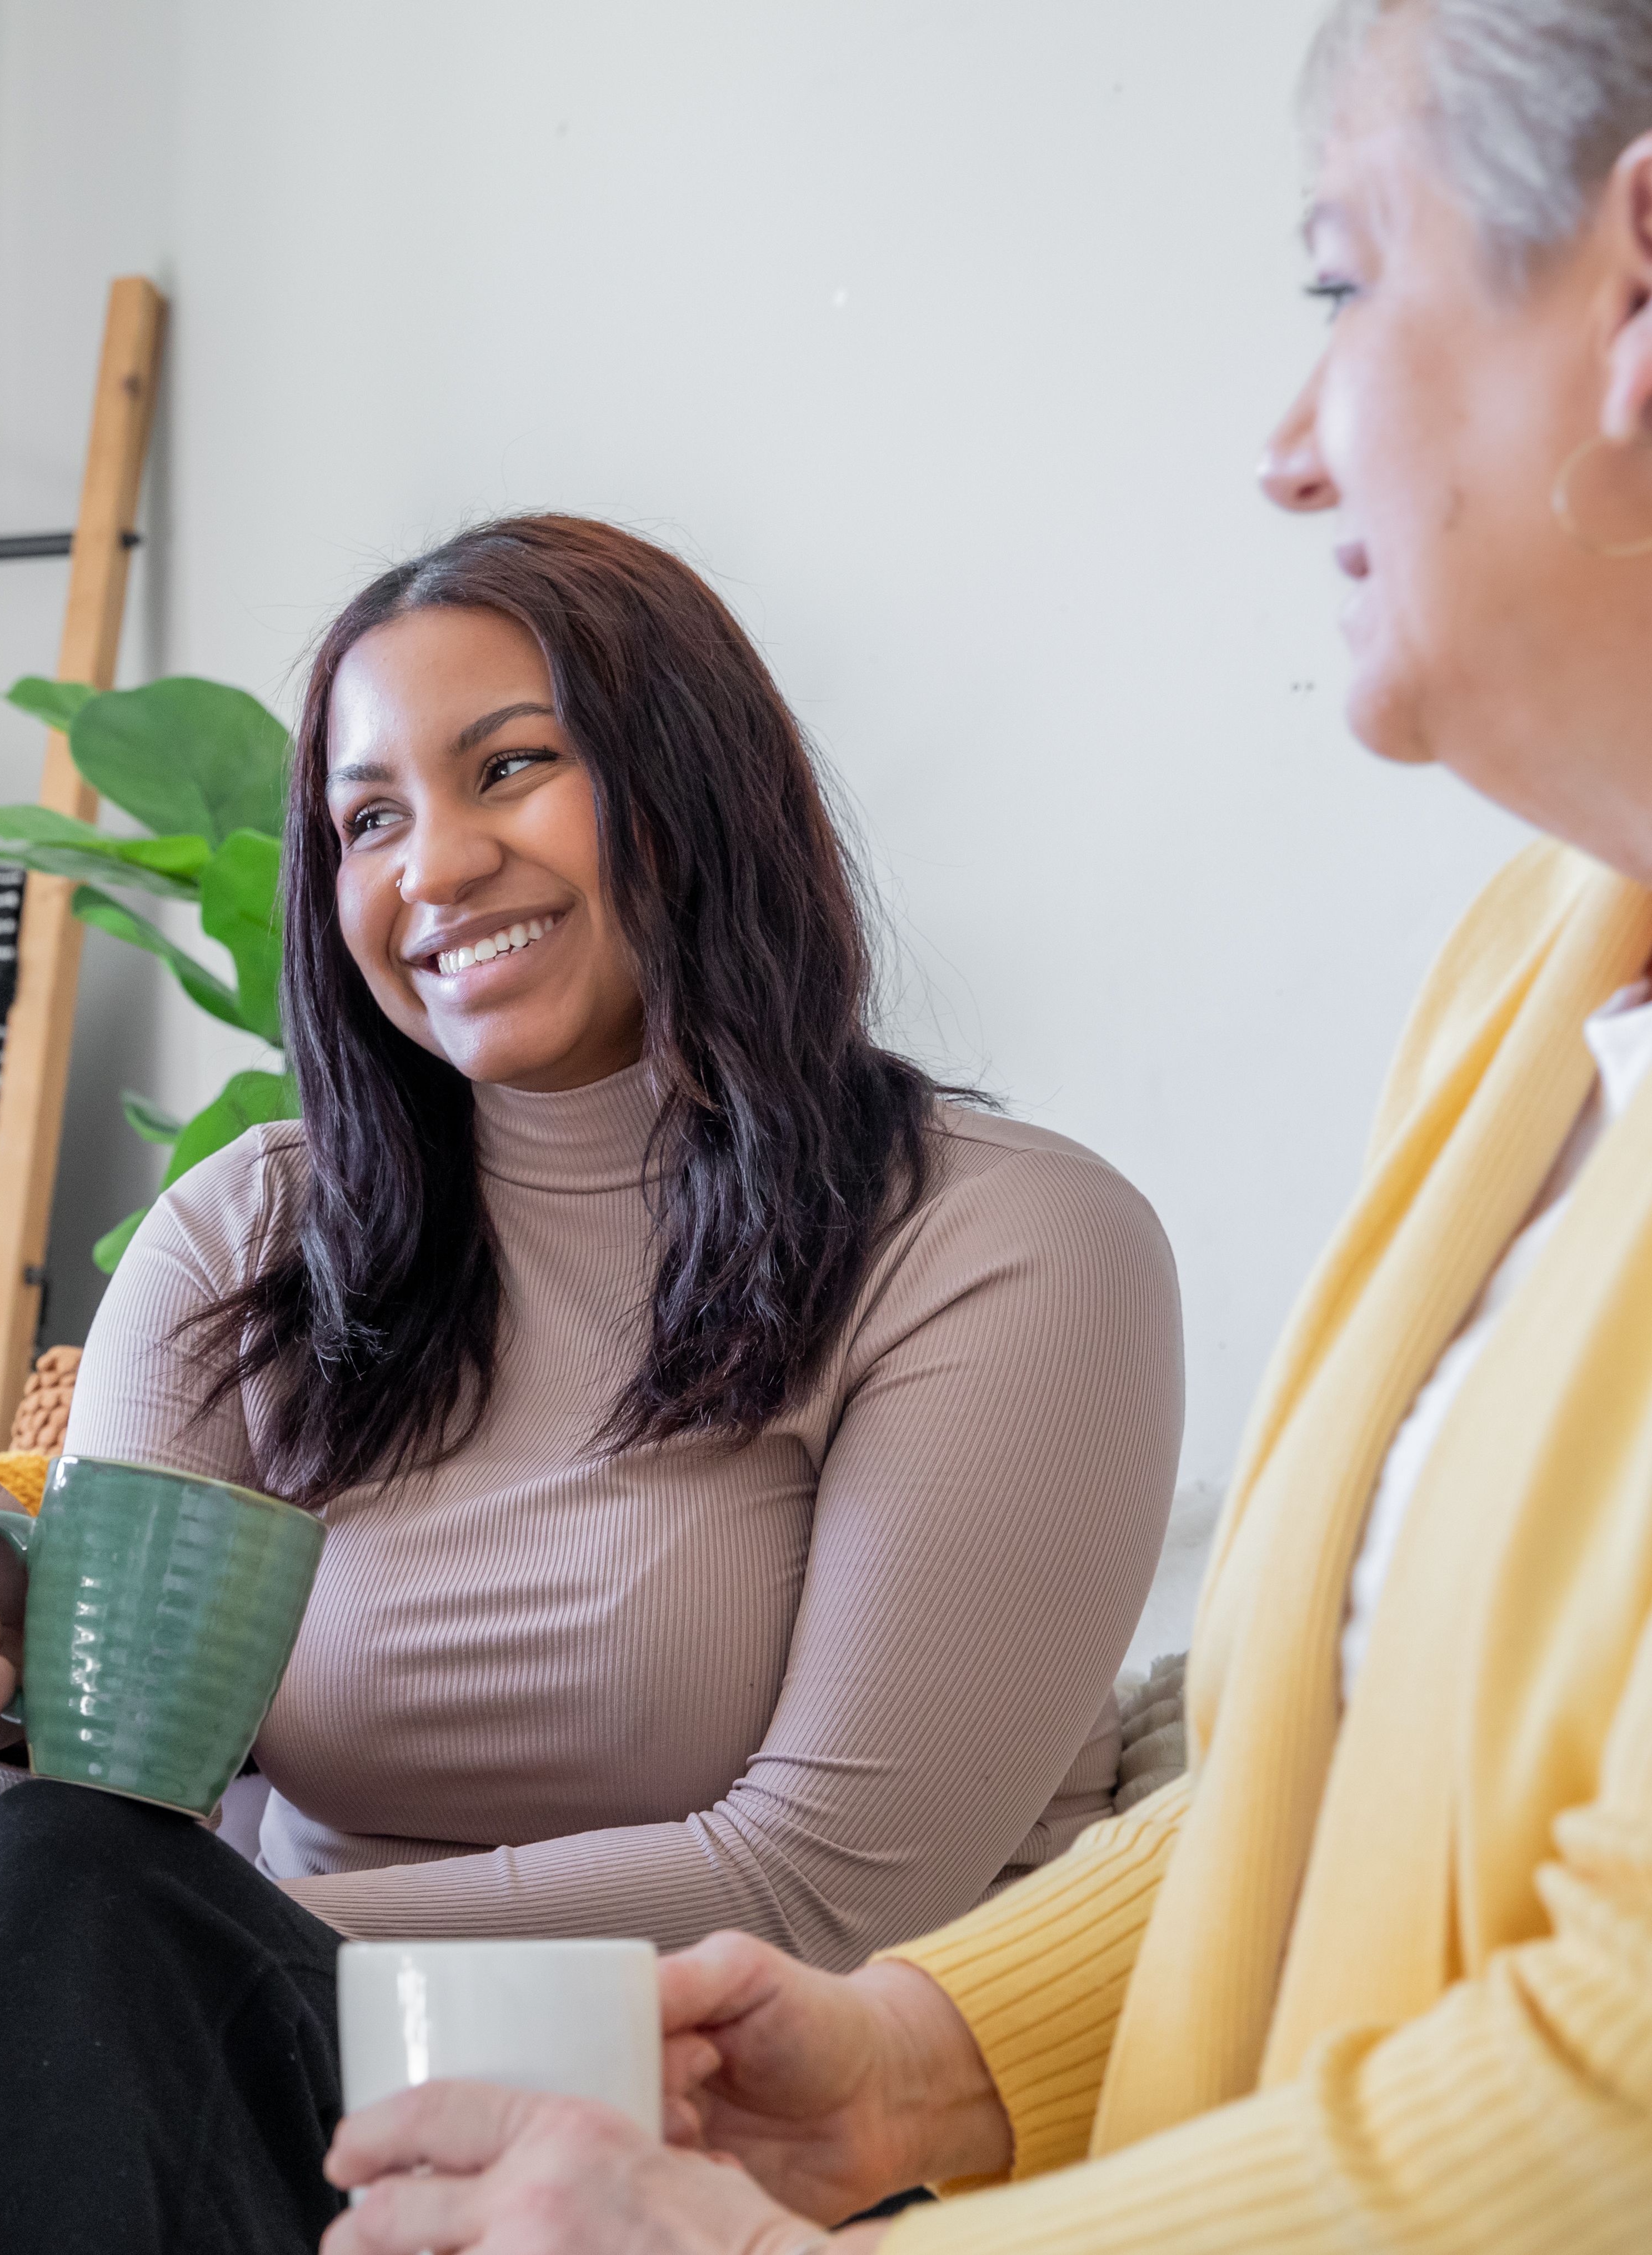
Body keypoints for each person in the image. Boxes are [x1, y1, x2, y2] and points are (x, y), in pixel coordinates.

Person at [306, 3, 1652, 2251]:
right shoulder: (1527, 977)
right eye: (361, 811)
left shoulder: (1003, 1237)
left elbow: (1611, 2097)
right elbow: (1317, 1774)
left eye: (1342, 282)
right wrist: (933, 2052)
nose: (1290, 448)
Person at [0, 513, 1188, 2253]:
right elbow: (113, 1815)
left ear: (697, 788)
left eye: (510, 769)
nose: (430, 866)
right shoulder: (245, 1243)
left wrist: (139, 1936)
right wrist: (10, 1704)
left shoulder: (1005, 1242)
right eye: (368, 818)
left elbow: (828, 1888)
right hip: (247, 2115)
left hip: (725, 2139)